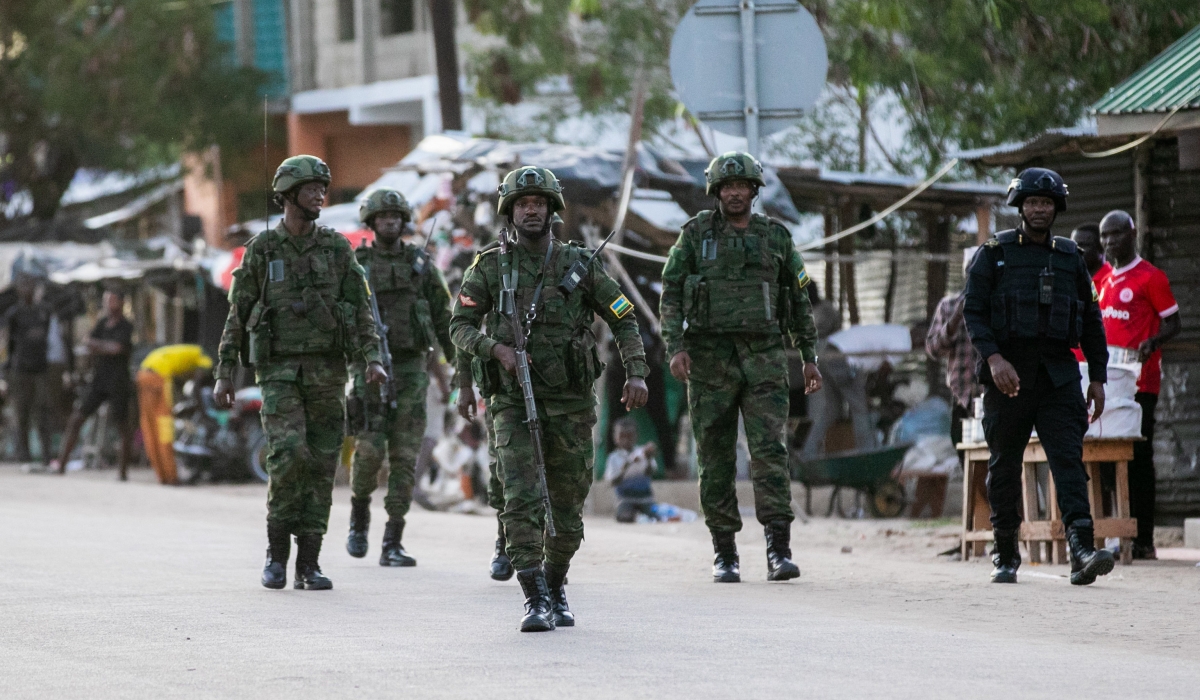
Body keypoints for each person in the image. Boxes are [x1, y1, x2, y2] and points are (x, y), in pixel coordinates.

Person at [450, 165, 649, 632]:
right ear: (510, 211)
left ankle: (556, 583)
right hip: (512, 402)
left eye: (539, 202)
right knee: (518, 500)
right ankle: (534, 596)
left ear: (553, 210)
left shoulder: (578, 264)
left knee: (567, 508)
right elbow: (459, 326)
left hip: (571, 403)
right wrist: (494, 350)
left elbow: (623, 316)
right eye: (523, 203)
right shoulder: (489, 266)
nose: (532, 209)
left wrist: (636, 371)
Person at [213, 155, 385, 591]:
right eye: (311, 188)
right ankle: (276, 554)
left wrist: (373, 358)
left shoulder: (336, 248)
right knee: (288, 455)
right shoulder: (262, 249)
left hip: (329, 371)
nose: (319, 196)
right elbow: (238, 314)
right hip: (279, 372)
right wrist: (225, 372)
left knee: (323, 463)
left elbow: (362, 310)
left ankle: (309, 562)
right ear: (288, 195)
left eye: (322, 188)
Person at [659, 151, 822, 584]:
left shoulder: (776, 238)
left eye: (742, 186)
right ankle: (725, 553)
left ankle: (778, 549)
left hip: (764, 356)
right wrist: (675, 346)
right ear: (716, 192)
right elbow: (671, 291)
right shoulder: (694, 236)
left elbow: (799, 300)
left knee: (770, 452)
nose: (735, 193)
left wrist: (809, 357)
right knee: (714, 456)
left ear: (754, 190)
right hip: (709, 360)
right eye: (727, 187)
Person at [963, 167, 1112, 586]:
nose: (1039, 209)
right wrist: (994, 360)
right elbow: (973, 313)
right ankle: (1006, 551)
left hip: (1058, 376)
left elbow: (1092, 321)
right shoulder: (992, 254)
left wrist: (1097, 377)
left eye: (1046, 203)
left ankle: (1082, 550)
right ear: (1020, 206)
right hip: (1007, 376)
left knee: (1068, 462)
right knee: (1004, 466)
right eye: (1032, 202)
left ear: (1056, 207)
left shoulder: (1069, 258)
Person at [345, 188, 455, 567]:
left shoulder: (421, 265)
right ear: (372, 222)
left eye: (395, 216)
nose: (389, 221)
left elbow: (444, 318)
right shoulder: (356, 265)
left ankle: (393, 539)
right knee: (370, 450)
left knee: (406, 457)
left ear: (403, 221)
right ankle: (359, 517)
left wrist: (457, 372)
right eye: (382, 216)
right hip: (369, 368)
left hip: (411, 368)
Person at [1097, 210, 1180, 560]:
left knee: (1138, 458)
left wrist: (1153, 342)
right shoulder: (1104, 281)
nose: (1109, 242)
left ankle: (1143, 538)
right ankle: (1115, 534)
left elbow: (1174, 323)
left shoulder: (1150, 277)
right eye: (1104, 236)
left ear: (1132, 235)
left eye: (1115, 234)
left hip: (1140, 383)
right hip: (1109, 382)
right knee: (1105, 457)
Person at [924, 248, 983, 516]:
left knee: (1001, 468)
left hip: (995, 397)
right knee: (969, 467)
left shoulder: (998, 303)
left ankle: (1004, 532)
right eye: (972, 269)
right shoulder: (949, 305)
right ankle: (974, 531)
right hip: (962, 399)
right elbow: (933, 349)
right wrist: (956, 318)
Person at [56, 288, 135, 480]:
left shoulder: (125, 326)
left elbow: (116, 348)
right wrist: (102, 347)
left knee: (123, 426)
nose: (109, 304)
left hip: (118, 382)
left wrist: (98, 346)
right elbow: (88, 342)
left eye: (113, 300)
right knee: (77, 419)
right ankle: (61, 466)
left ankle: (123, 472)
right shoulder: (101, 323)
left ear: (122, 303)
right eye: (106, 300)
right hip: (99, 380)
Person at [136, 344, 213, 485]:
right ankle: (172, 477)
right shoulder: (205, 359)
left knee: (151, 428)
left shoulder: (188, 353)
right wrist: (204, 414)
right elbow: (196, 387)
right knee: (165, 429)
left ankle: (163, 476)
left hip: (143, 374)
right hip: (159, 377)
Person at [4, 274, 53, 465]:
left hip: (40, 369)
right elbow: (9, 345)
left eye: (31, 284)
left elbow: (47, 336)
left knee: (43, 412)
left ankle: (47, 455)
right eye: (24, 285)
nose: (28, 289)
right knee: (22, 413)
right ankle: (24, 455)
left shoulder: (44, 311)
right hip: (21, 370)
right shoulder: (14, 314)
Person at [604, 418, 659, 523]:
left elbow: (650, 473)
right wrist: (626, 466)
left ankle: (641, 515)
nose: (625, 440)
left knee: (655, 516)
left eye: (629, 436)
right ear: (615, 438)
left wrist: (648, 459)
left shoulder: (643, 452)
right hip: (624, 499)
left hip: (645, 498)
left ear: (636, 436)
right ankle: (636, 516)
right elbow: (612, 482)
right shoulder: (614, 457)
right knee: (623, 517)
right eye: (622, 436)